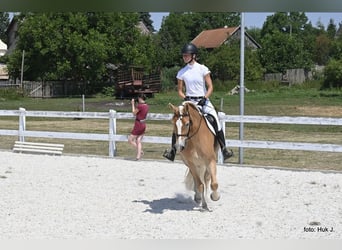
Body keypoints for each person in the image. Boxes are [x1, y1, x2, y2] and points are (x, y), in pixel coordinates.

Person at [163, 43, 234, 162]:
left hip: (203, 100)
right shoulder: (181, 72)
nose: (184, 57)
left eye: (187, 55)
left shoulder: (203, 69)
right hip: (189, 101)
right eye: (184, 55)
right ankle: (172, 151)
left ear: (193, 56)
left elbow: (210, 87)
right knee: (178, 121)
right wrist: (185, 98)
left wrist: (205, 98)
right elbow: (180, 91)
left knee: (216, 120)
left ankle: (224, 149)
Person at [128, 93, 149, 160]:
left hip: (138, 124)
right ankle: (138, 156)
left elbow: (134, 113)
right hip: (143, 124)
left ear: (140, 98)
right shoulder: (146, 106)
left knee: (130, 140)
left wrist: (132, 104)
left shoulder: (140, 106)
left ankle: (140, 151)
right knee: (138, 140)